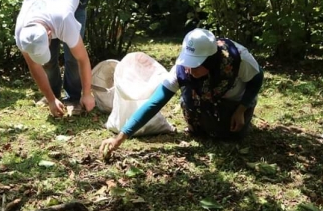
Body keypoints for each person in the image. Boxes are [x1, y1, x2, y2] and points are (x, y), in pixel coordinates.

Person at [100, 28, 264, 157]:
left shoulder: (238, 58)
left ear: (210, 60)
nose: (190, 70)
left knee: (229, 135)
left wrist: (242, 109)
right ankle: (201, 121)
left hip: (234, 101)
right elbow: (155, 102)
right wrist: (120, 137)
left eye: (196, 65)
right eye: (188, 64)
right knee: (202, 131)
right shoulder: (182, 69)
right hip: (206, 100)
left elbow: (257, 79)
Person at [14, 0, 94, 117]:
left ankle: (73, 98)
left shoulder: (64, 19)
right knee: (48, 62)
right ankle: (54, 95)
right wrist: (51, 99)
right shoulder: (21, 33)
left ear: (49, 34)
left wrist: (87, 94)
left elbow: (82, 59)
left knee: (72, 58)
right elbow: (34, 66)